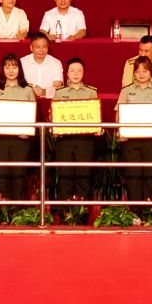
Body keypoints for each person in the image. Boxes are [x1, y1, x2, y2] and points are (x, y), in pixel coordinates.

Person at [116, 57, 152, 215]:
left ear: (151, 72)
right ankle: (135, 211)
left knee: (151, 174)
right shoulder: (126, 91)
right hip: (131, 140)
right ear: (133, 73)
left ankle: (149, 210)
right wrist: (120, 130)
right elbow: (119, 113)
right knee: (133, 175)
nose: (141, 74)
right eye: (138, 71)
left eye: (145, 71)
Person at [49, 59, 101, 207]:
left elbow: (96, 116)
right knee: (65, 176)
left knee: (83, 176)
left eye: (79, 70)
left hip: (85, 140)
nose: (76, 74)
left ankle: (82, 211)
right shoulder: (60, 92)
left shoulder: (91, 92)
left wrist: (97, 127)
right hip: (65, 140)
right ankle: (64, 211)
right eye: (72, 70)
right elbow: (53, 115)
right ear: (67, 73)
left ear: (84, 73)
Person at [0, 56, 38, 206]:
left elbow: (33, 114)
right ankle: (2, 211)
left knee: (19, 175)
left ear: (20, 69)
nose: (11, 70)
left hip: (20, 140)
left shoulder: (27, 89)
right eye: (7, 67)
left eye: (14, 67)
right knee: (1, 174)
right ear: (2, 69)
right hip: (0, 139)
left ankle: (18, 211)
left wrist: (28, 130)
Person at [20, 32, 65, 98]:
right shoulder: (23, 62)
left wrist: (44, 92)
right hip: (27, 99)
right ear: (31, 48)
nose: (41, 50)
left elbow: (58, 87)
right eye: (38, 47)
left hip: (49, 100)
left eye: (44, 47)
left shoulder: (56, 63)